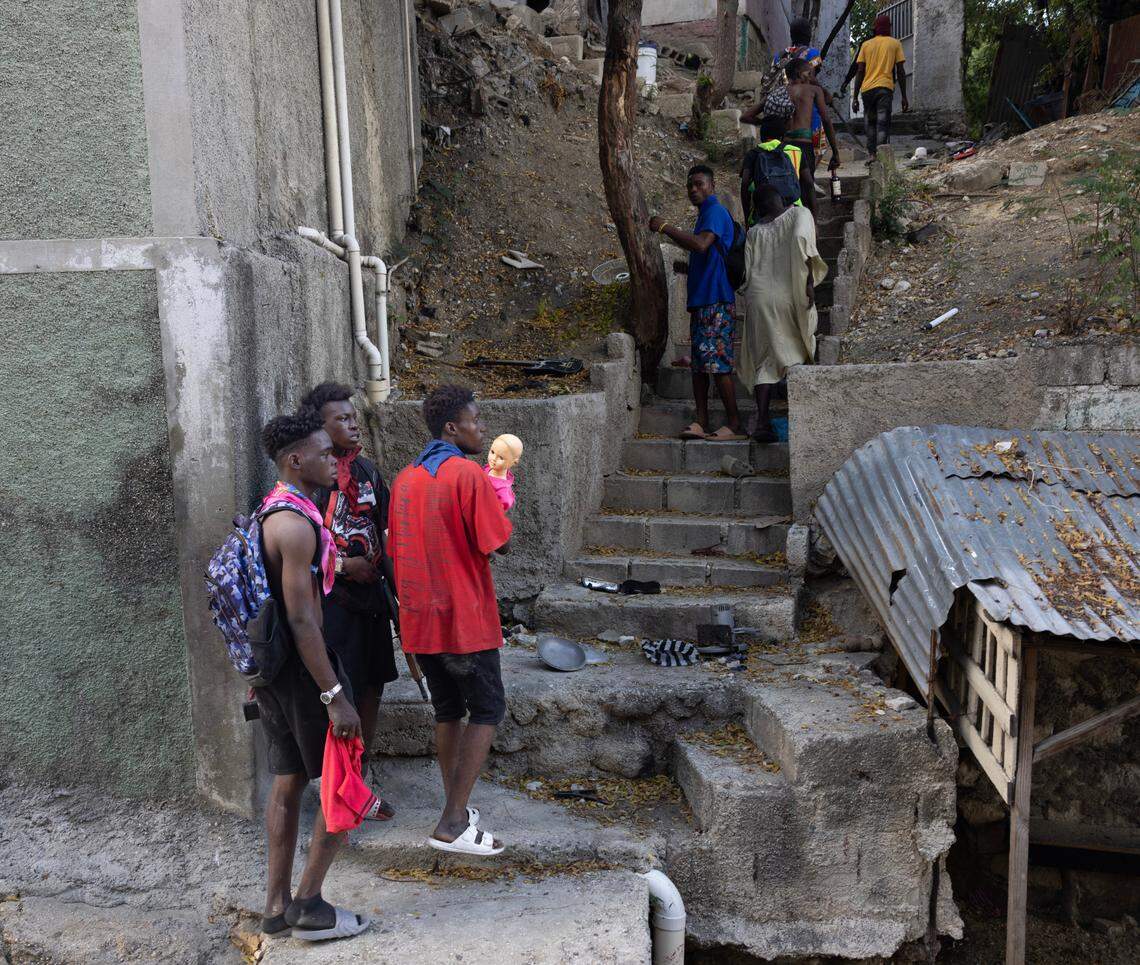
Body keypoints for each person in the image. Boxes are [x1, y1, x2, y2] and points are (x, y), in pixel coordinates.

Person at [255, 408, 370, 942]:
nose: (334, 459)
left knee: (288, 781)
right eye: (325, 453)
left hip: (274, 673)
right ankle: (310, 905)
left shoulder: (270, 511)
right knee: (344, 783)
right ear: (295, 460)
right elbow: (302, 618)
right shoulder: (296, 526)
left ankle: (276, 908)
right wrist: (335, 695)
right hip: (307, 671)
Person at [387, 385, 513, 857]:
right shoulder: (467, 475)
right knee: (486, 709)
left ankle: (455, 808)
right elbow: (498, 542)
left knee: (447, 710)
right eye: (476, 420)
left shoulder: (405, 478)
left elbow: (395, 554)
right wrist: (502, 497)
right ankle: (453, 820)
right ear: (450, 428)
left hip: (421, 619)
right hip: (465, 617)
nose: (482, 428)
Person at [302, 382, 399, 794]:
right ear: (318, 428)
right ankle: (336, 791)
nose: (352, 424)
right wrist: (342, 566)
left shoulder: (367, 472)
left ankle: (358, 781)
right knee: (340, 694)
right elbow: (296, 549)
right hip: (331, 606)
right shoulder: (311, 479)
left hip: (372, 602)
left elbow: (388, 534)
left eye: (353, 416)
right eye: (341, 419)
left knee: (372, 688)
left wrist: (399, 599)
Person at [648, 166, 746, 442]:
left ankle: (736, 423)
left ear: (711, 186)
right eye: (690, 185)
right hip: (703, 301)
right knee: (700, 365)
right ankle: (701, 420)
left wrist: (666, 228)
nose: (693, 189)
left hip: (716, 300)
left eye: (699, 184)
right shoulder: (705, 214)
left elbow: (702, 245)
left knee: (719, 364)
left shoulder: (714, 211)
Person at [737, 186, 828, 443]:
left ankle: (763, 421)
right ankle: (804, 418)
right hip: (789, 294)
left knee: (765, 360)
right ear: (780, 197)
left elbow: (747, 267)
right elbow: (803, 241)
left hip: (759, 298)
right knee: (796, 351)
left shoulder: (754, 232)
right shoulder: (800, 214)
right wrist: (809, 281)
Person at [785, 58, 841, 219]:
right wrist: (835, 152)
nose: (811, 76)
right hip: (803, 145)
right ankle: (813, 226)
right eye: (808, 73)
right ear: (799, 74)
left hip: (785, 145)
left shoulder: (782, 91)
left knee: (791, 187)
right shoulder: (812, 90)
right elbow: (827, 120)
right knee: (807, 187)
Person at [852, 14, 909, 157]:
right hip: (884, 88)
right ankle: (882, 156)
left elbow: (860, 71)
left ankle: (872, 155)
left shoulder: (866, 45)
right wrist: (904, 96)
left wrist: (854, 97)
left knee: (870, 122)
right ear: (889, 27)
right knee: (882, 123)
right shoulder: (895, 43)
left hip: (867, 90)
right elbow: (900, 71)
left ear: (875, 28)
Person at [740, 115, 804, 224]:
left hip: (764, 214)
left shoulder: (753, 154)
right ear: (782, 136)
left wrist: (747, 219)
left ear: (762, 136)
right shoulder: (796, 152)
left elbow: (744, 186)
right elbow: (809, 185)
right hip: (794, 212)